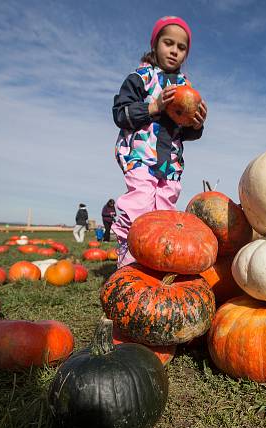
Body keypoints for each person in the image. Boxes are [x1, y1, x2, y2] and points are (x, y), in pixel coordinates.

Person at [112, 16, 207, 266]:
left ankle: (154, 261)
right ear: (155, 44)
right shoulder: (140, 77)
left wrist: (196, 124)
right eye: (168, 43)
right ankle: (128, 252)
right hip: (140, 155)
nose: (174, 51)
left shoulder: (185, 87)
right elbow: (120, 113)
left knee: (165, 213)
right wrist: (154, 106)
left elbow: (183, 130)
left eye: (181, 47)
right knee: (139, 202)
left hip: (170, 163)